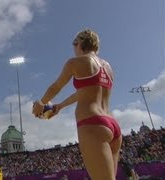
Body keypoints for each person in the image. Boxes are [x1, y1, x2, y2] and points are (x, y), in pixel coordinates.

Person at [32, 29, 122, 180]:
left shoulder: (75, 62)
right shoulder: (107, 67)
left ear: (79, 43)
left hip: (92, 123)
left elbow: (56, 87)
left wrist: (41, 104)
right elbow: (83, 92)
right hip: (113, 125)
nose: (74, 49)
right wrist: (60, 106)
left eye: (74, 45)